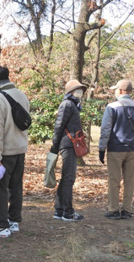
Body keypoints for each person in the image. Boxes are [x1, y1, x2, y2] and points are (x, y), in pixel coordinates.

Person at [0, 66, 30, 238]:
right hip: (20, 149)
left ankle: (1, 226)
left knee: (0, 188)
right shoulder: (22, 95)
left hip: (5, 152)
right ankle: (14, 221)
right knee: (16, 186)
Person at [99, 79, 134, 220]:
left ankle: (113, 209)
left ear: (119, 91)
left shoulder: (112, 107)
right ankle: (127, 209)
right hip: (132, 149)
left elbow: (105, 130)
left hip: (115, 148)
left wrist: (101, 149)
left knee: (114, 180)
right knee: (129, 180)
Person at [50, 80, 86, 222]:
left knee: (67, 178)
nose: (80, 92)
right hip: (68, 144)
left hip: (70, 144)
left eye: (81, 89)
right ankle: (68, 212)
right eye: (78, 89)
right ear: (70, 91)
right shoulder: (67, 104)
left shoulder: (73, 104)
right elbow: (59, 126)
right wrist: (55, 145)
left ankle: (59, 210)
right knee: (68, 178)